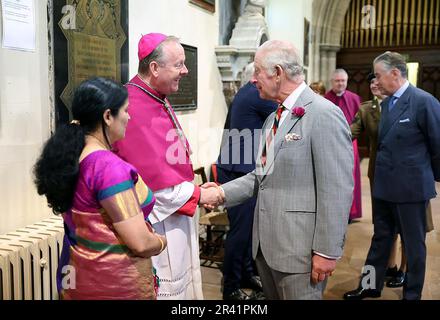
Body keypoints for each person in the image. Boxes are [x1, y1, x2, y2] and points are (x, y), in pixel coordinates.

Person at [204, 40, 354, 299]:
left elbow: (337, 189)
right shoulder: (275, 117)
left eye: (258, 71)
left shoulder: (323, 114)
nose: (253, 79)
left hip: (300, 252)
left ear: (277, 72)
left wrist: (327, 251)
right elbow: (259, 176)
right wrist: (220, 193)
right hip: (266, 250)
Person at [33, 77, 167, 300]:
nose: (129, 116)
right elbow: (141, 243)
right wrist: (162, 241)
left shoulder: (72, 155)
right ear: (107, 116)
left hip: (79, 277)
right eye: (125, 110)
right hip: (112, 285)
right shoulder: (108, 168)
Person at [113, 33, 222, 299]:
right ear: (154, 68)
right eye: (179, 65)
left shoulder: (156, 97)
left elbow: (170, 166)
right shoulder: (132, 107)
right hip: (157, 225)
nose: (185, 71)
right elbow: (151, 187)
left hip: (176, 216)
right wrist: (199, 194)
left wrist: (194, 189)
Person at [344, 51, 440, 300]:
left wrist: (431, 178)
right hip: (384, 186)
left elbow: (437, 144)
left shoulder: (423, 101)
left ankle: (412, 294)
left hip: (411, 189)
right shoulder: (386, 103)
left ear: (395, 73)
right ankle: (369, 285)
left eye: (378, 75)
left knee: (414, 244)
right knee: (380, 239)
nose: (374, 80)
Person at [216, 62, 277, 300]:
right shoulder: (255, 93)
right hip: (238, 170)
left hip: (240, 166)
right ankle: (230, 287)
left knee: (249, 231)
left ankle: (246, 273)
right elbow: (288, 108)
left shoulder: (246, 92)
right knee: (240, 233)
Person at [325, 69, 362, 222]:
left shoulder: (354, 98)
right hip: (329, 143)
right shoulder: (325, 99)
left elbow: (359, 122)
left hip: (349, 143)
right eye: (337, 81)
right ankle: (332, 210)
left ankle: (351, 211)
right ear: (332, 82)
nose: (340, 84)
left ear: (346, 82)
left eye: (343, 81)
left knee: (350, 176)